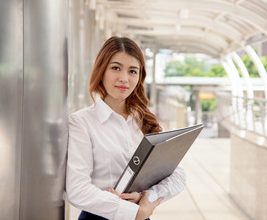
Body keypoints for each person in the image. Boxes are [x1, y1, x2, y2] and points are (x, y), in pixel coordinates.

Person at [66, 36, 186, 220]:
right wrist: (132, 212)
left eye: (132, 71)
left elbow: (178, 175)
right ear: (102, 70)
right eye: (115, 68)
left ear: (140, 77)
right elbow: (77, 189)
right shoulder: (82, 122)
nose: (124, 78)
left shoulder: (145, 121)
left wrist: (147, 198)